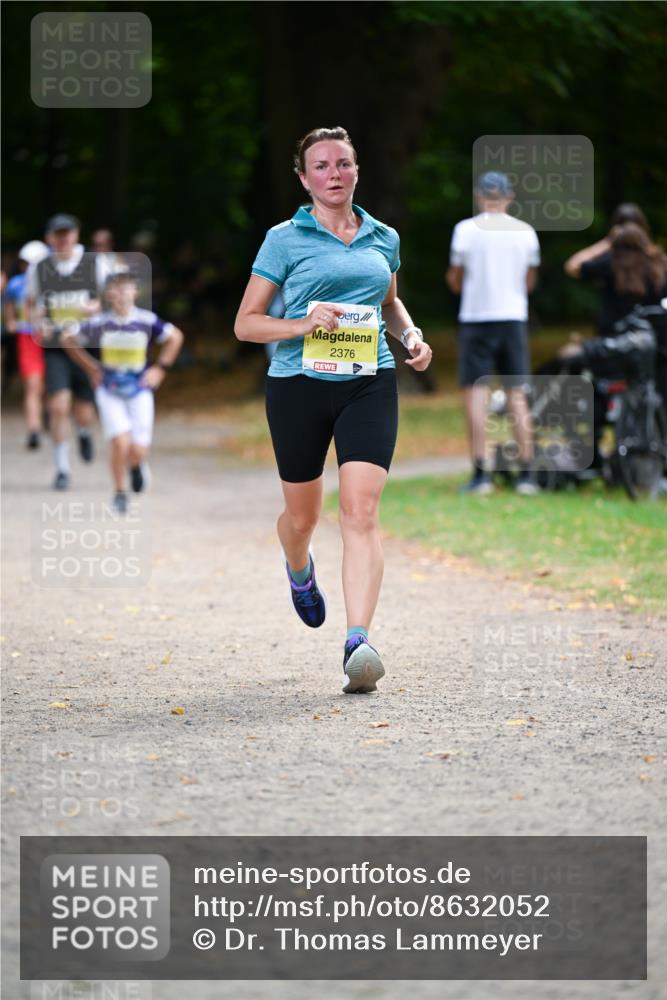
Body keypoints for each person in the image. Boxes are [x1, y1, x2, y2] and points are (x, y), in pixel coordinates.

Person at [235, 126, 432, 694]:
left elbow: (390, 301)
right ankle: (298, 567)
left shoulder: (382, 237)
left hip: (369, 380)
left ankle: (358, 642)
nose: (334, 174)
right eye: (321, 166)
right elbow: (246, 323)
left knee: (360, 511)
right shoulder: (283, 239)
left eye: (343, 164)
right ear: (304, 178)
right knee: (303, 518)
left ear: (356, 171)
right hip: (298, 384)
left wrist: (412, 337)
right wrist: (300, 324)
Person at [446, 171, 540, 495]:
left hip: (476, 317)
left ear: (479, 196)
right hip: (513, 317)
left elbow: (455, 278)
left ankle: (481, 473)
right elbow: (529, 281)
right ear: (509, 197)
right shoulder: (526, 232)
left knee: (476, 394)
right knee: (517, 393)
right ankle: (527, 474)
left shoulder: (465, 231)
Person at [62, 272, 184, 513]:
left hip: (139, 390)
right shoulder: (100, 323)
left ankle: (137, 465)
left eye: (125, 289)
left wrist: (160, 369)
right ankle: (119, 491)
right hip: (109, 389)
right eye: (115, 290)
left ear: (135, 292)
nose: (120, 294)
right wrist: (91, 368)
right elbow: (68, 338)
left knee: (137, 448)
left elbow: (175, 337)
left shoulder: (146, 320)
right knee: (119, 441)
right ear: (108, 294)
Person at [25, 214, 113, 490]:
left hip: (87, 343)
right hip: (56, 345)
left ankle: (84, 431)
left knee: (84, 410)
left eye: (67, 233)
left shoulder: (94, 264)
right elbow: (30, 303)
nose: (63, 239)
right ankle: (62, 468)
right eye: (57, 234)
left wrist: (96, 307)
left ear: (76, 235)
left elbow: (113, 297)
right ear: (50, 238)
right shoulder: (40, 269)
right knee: (59, 405)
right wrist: (36, 323)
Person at [3, 241, 50, 448]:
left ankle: (48, 414)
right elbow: (9, 302)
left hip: (50, 339)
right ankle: (34, 429)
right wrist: (11, 321)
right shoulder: (16, 284)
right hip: (28, 338)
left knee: (49, 384)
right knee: (32, 385)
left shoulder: (53, 282)